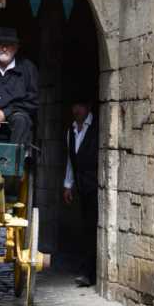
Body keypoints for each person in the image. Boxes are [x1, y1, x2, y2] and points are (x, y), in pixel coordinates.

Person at [63, 96, 99, 287]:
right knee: (86, 228)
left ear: (88, 107)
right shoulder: (70, 131)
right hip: (82, 188)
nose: (77, 110)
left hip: (97, 188)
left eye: (80, 105)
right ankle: (87, 271)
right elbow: (71, 161)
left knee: (92, 229)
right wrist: (67, 185)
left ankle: (89, 273)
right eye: (74, 105)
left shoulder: (98, 129)